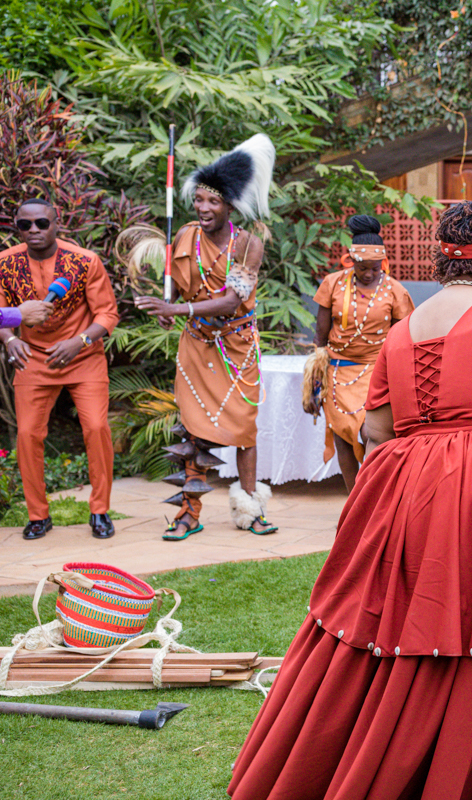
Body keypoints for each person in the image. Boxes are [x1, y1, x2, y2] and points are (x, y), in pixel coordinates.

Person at [227, 198, 472, 800]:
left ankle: (393, 757)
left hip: (410, 492)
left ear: (443, 258)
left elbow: (378, 431)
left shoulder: (402, 330)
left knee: (404, 621)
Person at [134, 134, 277, 540]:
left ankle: (251, 509)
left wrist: (174, 310)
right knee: (192, 429)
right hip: (196, 346)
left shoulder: (248, 244)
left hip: (237, 349)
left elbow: (233, 301)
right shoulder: (183, 237)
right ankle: (188, 513)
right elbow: (177, 289)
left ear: (229, 205)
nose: (203, 208)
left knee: (244, 431)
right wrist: (168, 308)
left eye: (212, 202)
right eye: (199, 200)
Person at [0, 198, 119, 540]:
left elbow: (107, 314)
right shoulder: (5, 263)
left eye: (42, 223)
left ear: (56, 223)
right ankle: (38, 515)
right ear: (16, 226)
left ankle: (99, 510)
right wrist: (10, 341)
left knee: (96, 428)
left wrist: (79, 342)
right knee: (27, 435)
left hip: (82, 356)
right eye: (25, 225)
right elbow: (1, 313)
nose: (34, 230)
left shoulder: (84, 261)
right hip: (32, 358)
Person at [310, 214, 414, 491]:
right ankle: (352, 504)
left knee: (373, 432)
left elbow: (405, 337)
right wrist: (314, 380)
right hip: (338, 371)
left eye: (374, 268)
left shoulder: (395, 290)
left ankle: (374, 498)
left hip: (377, 371)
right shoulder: (333, 283)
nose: (368, 274)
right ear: (351, 261)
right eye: (362, 268)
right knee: (342, 435)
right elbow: (320, 337)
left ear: (383, 263)